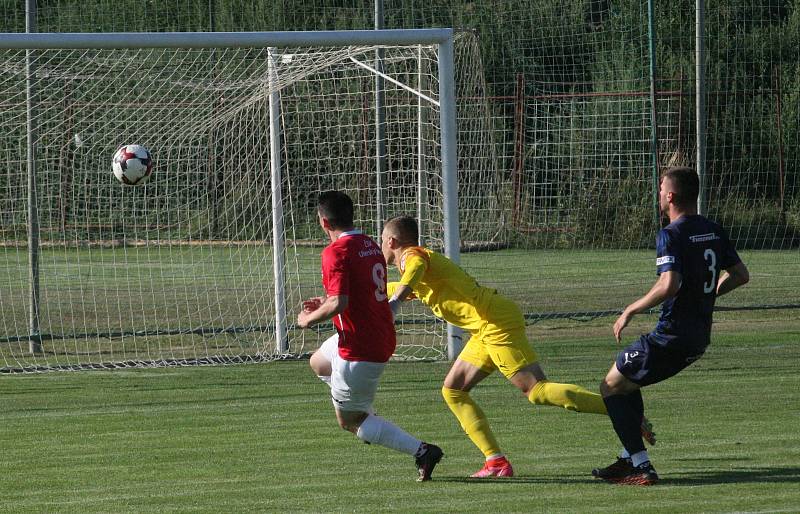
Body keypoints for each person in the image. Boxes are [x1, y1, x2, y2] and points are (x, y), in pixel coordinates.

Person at [380, 215, 650, 478]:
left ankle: (621, 412)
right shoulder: (419, 273)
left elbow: (412, 270)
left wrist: (394, 304)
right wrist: (370, 288)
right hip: (485, 328)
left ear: (392, 241)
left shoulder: (412, 257)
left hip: (494, 321)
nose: (380, 246)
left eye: (381, 240)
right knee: (453, 390)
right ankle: (495, 461)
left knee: (537, 391)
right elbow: (401, 285)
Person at [592, 166, 749, 485]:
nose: (659, 194)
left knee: (609, 387)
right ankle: (627, 457)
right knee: (625, 381)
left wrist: (630, 310)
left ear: (671, 196)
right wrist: (708, 294)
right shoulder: (713, 229)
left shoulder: (671, 234)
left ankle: (640, 465)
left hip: (670, 337)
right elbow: (741, 275)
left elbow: (669, 285)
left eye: (661, 189)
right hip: (698, 337)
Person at [298, 191, 443, 482]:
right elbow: (353, 294)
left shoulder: (334, 252)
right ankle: (360, 403)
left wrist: (308, 319)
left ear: (324, 222)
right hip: (376, 334)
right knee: (318, 362)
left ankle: (422, 450)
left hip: (360, 348)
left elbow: (340, 302)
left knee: (350, 422)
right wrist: (326, 302)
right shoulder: (369, 244)